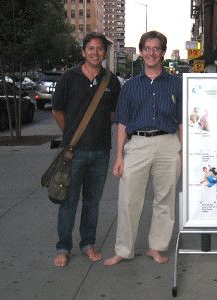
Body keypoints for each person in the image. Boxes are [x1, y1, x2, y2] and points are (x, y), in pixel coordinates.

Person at [104, 31, 182, 266]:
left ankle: (156, 247)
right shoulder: (129, 86)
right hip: (137, 144)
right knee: (128, 200)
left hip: (168, 145)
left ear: (163, 53)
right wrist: (119, 156)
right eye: (147, 48)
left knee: (165, 200)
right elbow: (122, 123)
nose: (151, 53)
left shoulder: (176, 83)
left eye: (156, 48)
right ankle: (124, 249)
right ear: (140, 52)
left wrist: (184, 152)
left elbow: (181, 121)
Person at [51, 32, 121, 267]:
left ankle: (87, 244)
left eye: (99, 49)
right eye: (90, 48)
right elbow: (57, 110)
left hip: (101, 152)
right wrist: (70, 135)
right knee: (68, 202)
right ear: (83, 52)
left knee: (92, 202)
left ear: (104, 53)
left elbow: (113, 114)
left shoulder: (111, 81)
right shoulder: (68, 78)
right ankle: (63, 247)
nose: (95, 52)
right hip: (74, 153)